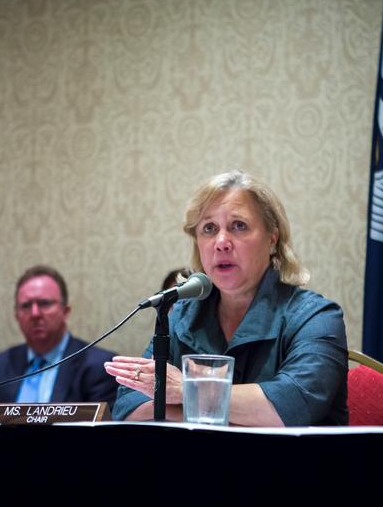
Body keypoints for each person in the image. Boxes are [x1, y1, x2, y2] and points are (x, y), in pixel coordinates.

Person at [105, 171, 348, 426]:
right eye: (209, 228)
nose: (221, 242)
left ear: (272, 238)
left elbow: (292, 404)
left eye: (239, 226)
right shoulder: (181, 316)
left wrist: (187, 390)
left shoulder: (317, 316)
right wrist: (234, 413)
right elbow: (128, 405)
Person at [0, 265, 117, 411]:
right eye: (26, 305)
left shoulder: (100, 367)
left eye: (44, 303)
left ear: (65, 311)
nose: (35, 313)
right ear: (16, 315)